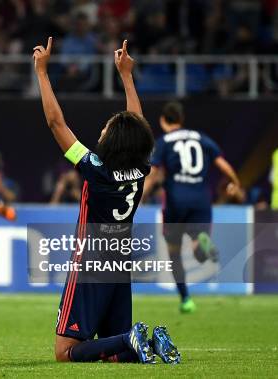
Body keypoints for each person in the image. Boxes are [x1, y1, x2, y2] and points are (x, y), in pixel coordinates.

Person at [34, 38, 180, 364]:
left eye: (105, 129)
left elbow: (56, 123)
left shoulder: (94, 170)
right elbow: (137, 125)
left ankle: (133, 338)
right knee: (114, 354)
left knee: (64, 353)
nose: (101, 131)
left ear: (111, 140)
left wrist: (42, 73)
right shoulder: (142, 168)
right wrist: (127, 76)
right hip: (119, 264)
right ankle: (151, 343)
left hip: (90, 265)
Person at [143, 101, 241, 313]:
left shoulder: (164, 142)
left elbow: (152, 173)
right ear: (181, 119)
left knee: (174, 253)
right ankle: (202, 243)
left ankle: (186, 299)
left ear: (163, 120)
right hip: (201, 201)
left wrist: (141, 196)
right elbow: (223, 163)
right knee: (198, 250)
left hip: (176, 201)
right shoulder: (201, 138)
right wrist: (235, 182)